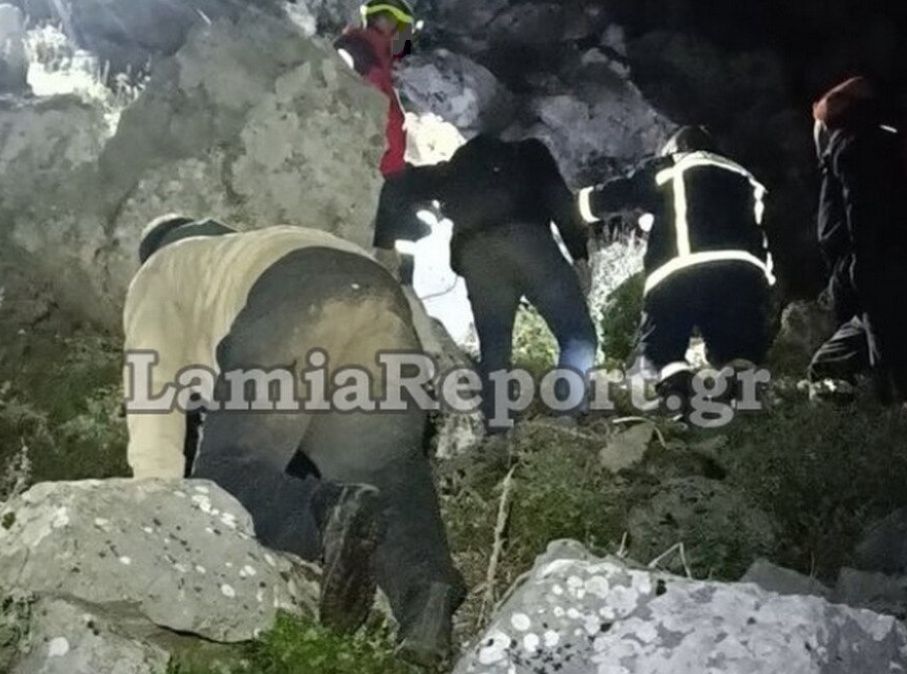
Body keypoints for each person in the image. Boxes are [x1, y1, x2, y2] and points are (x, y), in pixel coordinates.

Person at [123, 215, 464, 664]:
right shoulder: (247, 247)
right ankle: (426, 604)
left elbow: (153, 378)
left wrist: (156, 495)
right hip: (381, 302)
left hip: (292, 299)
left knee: (226, 482)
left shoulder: (163, 266)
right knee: (388, 473)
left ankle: (326, 517)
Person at [371, 135, 597, 433]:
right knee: (577, 335)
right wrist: (580, 255)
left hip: (475, 255)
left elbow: (401, 183)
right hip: (527, 242)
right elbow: (560, 201)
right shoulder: (529, 152)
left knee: (494, 350)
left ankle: (498, 434)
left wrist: (387, 238)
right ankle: (566, 419)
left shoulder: (456, 169)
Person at [577, 126, 774, 401]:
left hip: (682, 268)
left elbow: (623, 192)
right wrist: (767, 279)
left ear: (675, 148)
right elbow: (765, 228)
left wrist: (576, 205)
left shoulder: (672, 165)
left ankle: (678, 396)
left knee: (664, 342)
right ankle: (743, 399)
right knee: (738, 344)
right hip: (743, 273)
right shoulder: (746, 178)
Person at [808, 76, 907, 405]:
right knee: (837, 359)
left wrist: (861, 266)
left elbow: (859, 210)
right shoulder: (889, 137)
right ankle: (896, 405)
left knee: (893, 356)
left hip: (874, 261)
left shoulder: (851, 144)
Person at [334, 0, 416, 178]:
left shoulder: (376, 62)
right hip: (362, 176)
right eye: (406, 32)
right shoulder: (356, 58)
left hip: (380, 174)